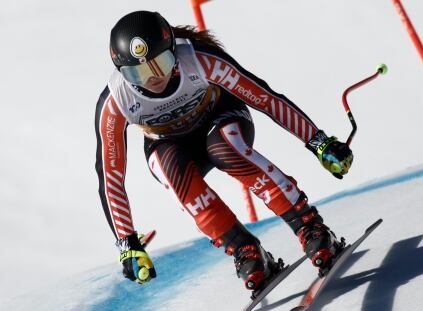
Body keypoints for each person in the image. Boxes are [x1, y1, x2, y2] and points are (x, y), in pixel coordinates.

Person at [95, 11, 353, 293]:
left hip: (220, 119)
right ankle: (246, 251)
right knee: (168, 169)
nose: (153, 78)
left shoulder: (199, 60)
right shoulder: (116, 101)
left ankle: (309, 227)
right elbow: (111, 178)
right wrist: (128, 244)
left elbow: (265, 99)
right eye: (138, 73)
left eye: (161, 63)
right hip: (170, 143)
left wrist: (319, 142)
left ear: (174, 51)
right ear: (122, 72)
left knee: (225, 148)